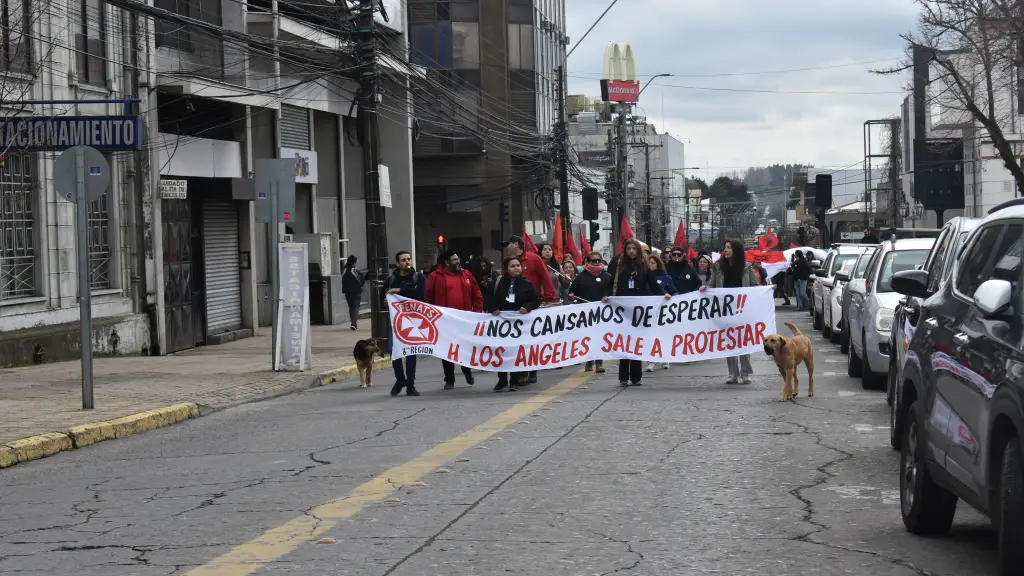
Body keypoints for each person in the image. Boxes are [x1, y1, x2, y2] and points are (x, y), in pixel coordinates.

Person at [610, 238, 671, 387]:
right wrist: (606, 295)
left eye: (634, 249)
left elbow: (653, 284)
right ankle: (623, 377)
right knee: (624, 343)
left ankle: (636, 377)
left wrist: (664, 293)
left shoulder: (644, 266)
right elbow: (610, 281)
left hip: (639, 309)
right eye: (628, 248)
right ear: (625, 250)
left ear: (638, 251)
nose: (631, 251)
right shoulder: (618, 264)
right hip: (622, 309)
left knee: (636, 342)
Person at [700, 239, 758, 385]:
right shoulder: (718, 267)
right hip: (725, 309)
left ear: (736, 250)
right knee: (730, 341)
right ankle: (732, 374)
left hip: (742, 308)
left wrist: (768, 290)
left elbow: (754, 286)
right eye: (724, 247)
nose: (725, 250)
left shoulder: (747, 267)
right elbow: (713, 284)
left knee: (743, 340)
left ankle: (745, 373)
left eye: (728, 248)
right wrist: (705, 288)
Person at [503, 236, 557, 384]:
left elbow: (545, 277)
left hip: (533, 305)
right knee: (518, 341)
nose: (506, 248)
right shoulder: (507, 263)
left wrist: (550, 297)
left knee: (532, 341)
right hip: (514, 309)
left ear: (515, 244)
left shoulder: (534, 259)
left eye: (507, 245)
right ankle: (521, 372)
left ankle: (532, 370)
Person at [426, 250, 483, 389]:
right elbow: (428, 297)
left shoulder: (467, 274)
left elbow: (476, 293)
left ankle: (467, 371)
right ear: (446, 262)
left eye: (458, 259)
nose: (458, 261)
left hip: (465, 320)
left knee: (465, 348)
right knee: (447, 350)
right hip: (445, 321)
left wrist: (477, 311)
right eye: (454, 260)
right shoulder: (435, 276)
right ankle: (449, 379)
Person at [489, 256, 541, 392]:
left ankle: (514, 380)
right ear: (506, 269)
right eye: (512, 266)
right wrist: (493, 309)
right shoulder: (499, 283)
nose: (516, 268)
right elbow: (490, 299)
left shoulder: (527, 284)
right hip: (502, 325)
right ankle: (502, 380)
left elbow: (536, 300)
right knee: (501, 352)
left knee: (515, 352)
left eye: (518, 265)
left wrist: (527, 307)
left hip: (520, 325)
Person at [384, 251, 426, 397]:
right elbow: (383, 296)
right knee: (393, 350)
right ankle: (401, 379)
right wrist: (385, 302)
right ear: (398, 264)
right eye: (403, 260)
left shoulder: (418, 277)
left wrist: (401, 291)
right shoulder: (391, 279)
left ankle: (410, 385)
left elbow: (421, 294)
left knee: (410, 351)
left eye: (409, 259)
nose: (407, 262)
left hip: (413, 320)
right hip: (396, 320)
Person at [568, 250, 611, 373]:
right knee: (588, 337)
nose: (597, 263)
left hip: (602, 313)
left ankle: (599, 363)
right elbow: (572, 292)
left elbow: (612, 291)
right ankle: (589, 361)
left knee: (600, 338)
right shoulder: (581, 277)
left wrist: (607, 296)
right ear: (587, 262)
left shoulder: (607, 276)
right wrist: (571, 295)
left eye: (599, 260)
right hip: (586, 313)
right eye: (594, 261)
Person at [645, 253, 677, 372]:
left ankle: (665, 357)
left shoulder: (666, 277)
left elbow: (674, 292)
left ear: (658, 264)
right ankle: (651, 360)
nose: (650, 265)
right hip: (649, 311)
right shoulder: (644, 278)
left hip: (663, 312)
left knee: (662, 335)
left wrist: (672, 298)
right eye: (648, 263)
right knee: (650, 336)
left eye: (652, 263)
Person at [341, 255, 366, 330]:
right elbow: (361, 280)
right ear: (354, 263)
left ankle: (352, 322)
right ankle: (354, 322)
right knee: (356, 307)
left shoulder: (344, 271)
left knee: (351, 307)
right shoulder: (355, 271)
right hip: (356, 291)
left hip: (347, 291)